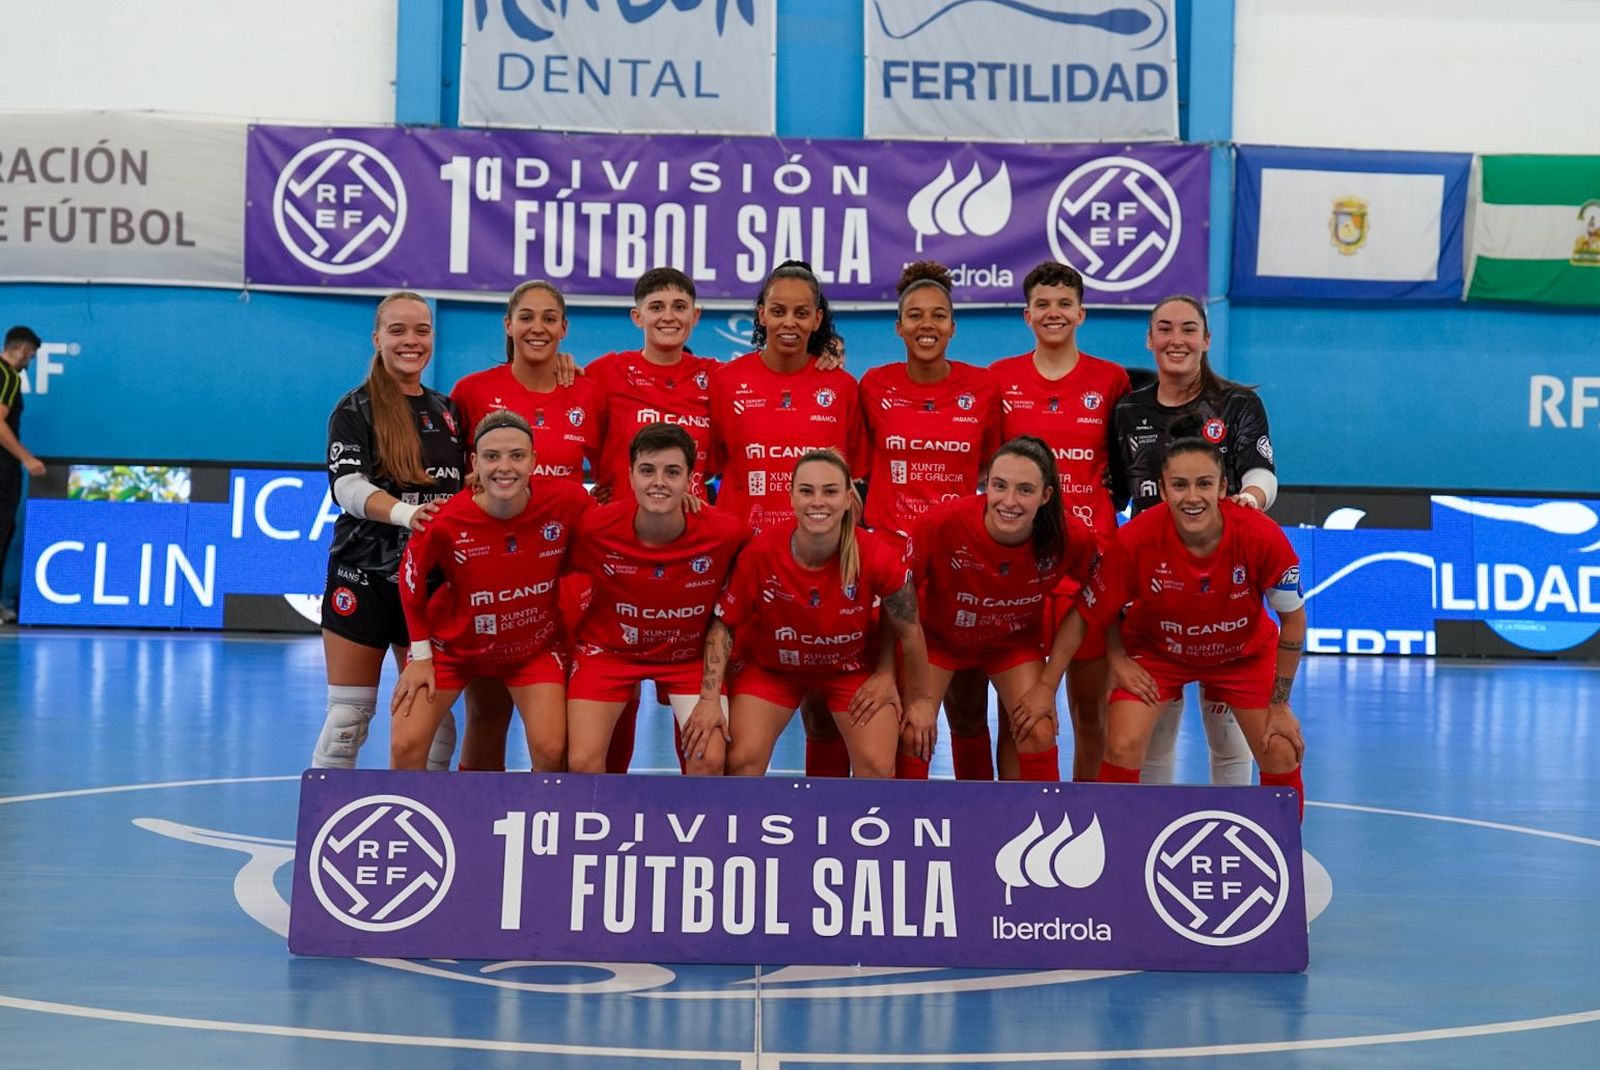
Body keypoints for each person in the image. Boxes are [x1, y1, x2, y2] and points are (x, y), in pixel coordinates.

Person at [1090, 421, 1306, 818]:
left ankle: (1282, 858)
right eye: (1180, 485)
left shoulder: (1260, 535)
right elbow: (1101, 606)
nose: (1193, 497)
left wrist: (1280, 703)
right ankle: (1115, 851)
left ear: (1223, 489)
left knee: (1281, 747)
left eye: (1204, 484)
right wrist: (1118, 661)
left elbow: (1293, 621)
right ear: (1163, 488)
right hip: (1158, 654)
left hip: (1242, 657)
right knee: (1121, 744)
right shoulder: (1135, 538)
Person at [1109, 295, 1278, 787]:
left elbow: (1261, 474)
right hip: (1152, 590)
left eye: (1188, 329)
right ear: (1150, 339)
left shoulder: (1238, 404)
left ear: (1206, 340)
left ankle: (1230, 840)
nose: (1175, 340)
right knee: (1152, 735)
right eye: (1164, 329)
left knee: (1228, 738)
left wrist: (1247, 502)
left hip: (1224, 585)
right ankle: (1148, 841)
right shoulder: (1127, 411)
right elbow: (1116, 492)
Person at [708, 260, 868, 777]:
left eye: (802, 312)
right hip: (747, 574)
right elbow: (707, 466)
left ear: (819, 318)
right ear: (760, 314)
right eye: (778, 311)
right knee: (736, 736)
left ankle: (827, 827)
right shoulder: (726, 382)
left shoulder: (842, 388)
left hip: (822, 572)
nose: (789, 322)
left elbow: (855, 477)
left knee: (823, 717)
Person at [700, 450, 938, 779]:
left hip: (849, 672)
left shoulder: (877, 556)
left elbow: (910, 632)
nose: (818, 501)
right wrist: (710, 698)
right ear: (792, 498)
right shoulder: (761, 553)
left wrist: (919, 699)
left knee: (878, 767)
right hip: (773, 671)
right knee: (741, 760)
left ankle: (857, 828)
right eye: (807, 491)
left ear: (846, 499)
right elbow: (722, 627)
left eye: (830, 491)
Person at [449, 280, 605, 772]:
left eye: (548, 318)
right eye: (527, 317)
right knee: (487, 710)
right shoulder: (472, 391)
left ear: (564, 327)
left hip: (566, 580)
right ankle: (478, 826)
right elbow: (455, 483)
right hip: (494, 576)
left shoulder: (589, 393)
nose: (537, 328)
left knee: (555, 733)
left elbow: (606, 482)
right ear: (508, 325)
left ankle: (552, 835)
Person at [858, 261, 1000, 780]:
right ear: (898, 326)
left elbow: (992, 469)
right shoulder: (873, 385)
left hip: (957, 567)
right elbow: (853, 463)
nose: (926, 325)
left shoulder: (983, 389)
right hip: (889, 567)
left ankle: (974, 816)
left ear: (953, 327)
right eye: (914, 315)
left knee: (965, 706)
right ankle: (899, 822)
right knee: (895, 704)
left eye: (938, 315)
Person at [389, 410, 592, 771]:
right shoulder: (444, 519)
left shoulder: (568, 500)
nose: (505, 467)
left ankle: (534, 822)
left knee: (550, 750)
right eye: (492, 456)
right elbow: (410, 582)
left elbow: (616, 531)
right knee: (405, 746)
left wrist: (684, 512)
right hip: (452, 649)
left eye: (517, 456)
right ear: (475, 462)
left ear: (534, 461)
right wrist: (419, 655)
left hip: (533, 648)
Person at [990, 262, 1131, 781]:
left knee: (1089, 711)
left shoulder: (1111, 379)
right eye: (1043, 305)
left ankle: (1087, 812)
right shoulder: (999, 379)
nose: (1054, 313)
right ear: (1028, 315)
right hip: (1022, 564)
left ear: (1081, 313)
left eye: (1064, 304)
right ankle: (1012, 812)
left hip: (1090, 565)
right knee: (1019, 712)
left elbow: (1122, 466)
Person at [311, 293, 463, 770]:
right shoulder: (353, 410)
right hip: (363, 577)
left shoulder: (449, 411)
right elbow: (348, 487)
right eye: (398, 330)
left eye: (421, 330)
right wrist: (406, 515)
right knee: (346, 721)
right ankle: (325, 831)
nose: (411, 340)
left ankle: (431, 830)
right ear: (378, 339)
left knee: (435, 724)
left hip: (432, 583)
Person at [907, 437, 1110, 782]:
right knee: (913, 733)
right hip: (938, 641)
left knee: (1038, 729)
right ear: (987, 484)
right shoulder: (941, 524)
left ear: (1046, 496)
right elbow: (899, 596)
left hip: (1011, 643)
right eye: (999, 486)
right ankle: (916, 825)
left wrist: (1048, 685)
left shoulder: (1068, 535)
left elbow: (1098, 594)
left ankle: (1034, 821)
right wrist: (914, 694)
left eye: (1025, 490)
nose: (1009, 501)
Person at [565, 423, 748, 776]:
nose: (659, 482)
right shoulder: (593, 529)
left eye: (672, 472)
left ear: (691, 479)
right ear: (630, 475)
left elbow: (732, 609)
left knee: (709, 760)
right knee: (582, 763)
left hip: (687, 656)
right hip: (609, 652)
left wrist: (711, 698)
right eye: (647, 470)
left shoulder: (727, 533)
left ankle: (694, 828)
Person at [584, 268, 719, 504]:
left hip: (694, 527)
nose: (668, 316)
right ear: (637, 317)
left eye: (679, 307)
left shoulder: (716, 376)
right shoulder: (605, 371)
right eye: (656, 307)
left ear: (695, 316)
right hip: (621, 526)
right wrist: (558, 364)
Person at [0, 326, 45, 625]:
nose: (30, 360)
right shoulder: (8, 376)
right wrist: (27, 458)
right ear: (25, 350)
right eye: (31, 355)